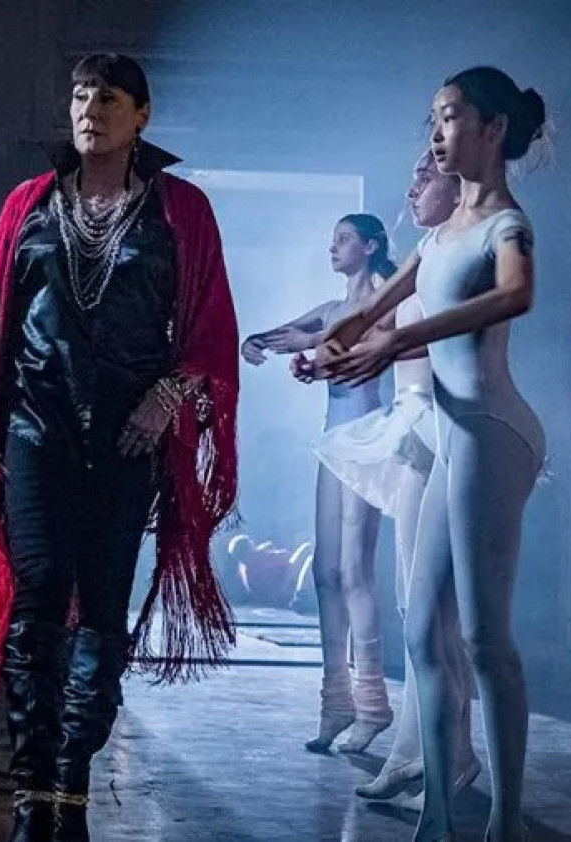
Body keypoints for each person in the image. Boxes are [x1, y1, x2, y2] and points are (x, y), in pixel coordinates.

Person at [0, 53, 239, 842]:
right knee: (34, 601)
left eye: (107, 98)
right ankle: (29, 790)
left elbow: (208, 331)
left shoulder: (180, 211)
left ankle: (70, 788)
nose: (89, 110)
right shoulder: (29, 201)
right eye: (79, 96)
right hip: (36, 429)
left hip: (128, 438)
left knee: (100, 610)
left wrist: (166, 399)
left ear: (141, 116)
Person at [315, 67, 547, 841]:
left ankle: (504, 825)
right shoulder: (438, 235)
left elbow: (514, 294)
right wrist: (325, 349)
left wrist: (397, 340)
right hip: (452, 436)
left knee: (482, 638)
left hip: (492, 432)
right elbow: (367, 315)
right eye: (433, 119)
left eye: (449, 117)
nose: (436, 133)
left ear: (493, 129)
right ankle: (438, 822)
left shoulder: (505, 224)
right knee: (421, 634)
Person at [316, 151, 480, 808]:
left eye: (425, 175)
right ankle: (426, 753)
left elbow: (454, 344)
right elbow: (373, 328)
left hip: (441, 425)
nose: (411, 187)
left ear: (458, 186)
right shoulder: (426, 253)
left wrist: (366, 351)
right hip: (411, 424)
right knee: (419, 604)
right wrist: (331, 357)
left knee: (433, 606)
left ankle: (443, 756)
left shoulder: (470, 251)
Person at [242, 214, 397, 754]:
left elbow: (366, 350)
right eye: (332, 240)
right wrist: (256, 342)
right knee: (326, 574)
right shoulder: (332, 308)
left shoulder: (382, 298)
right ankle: (336, 704)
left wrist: (312, 351)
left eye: (344, 239)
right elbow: (286, 334)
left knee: (355, 570)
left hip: (368, 437)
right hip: (334, 440)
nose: (333, 247)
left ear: (371, 246)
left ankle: (373, 704)